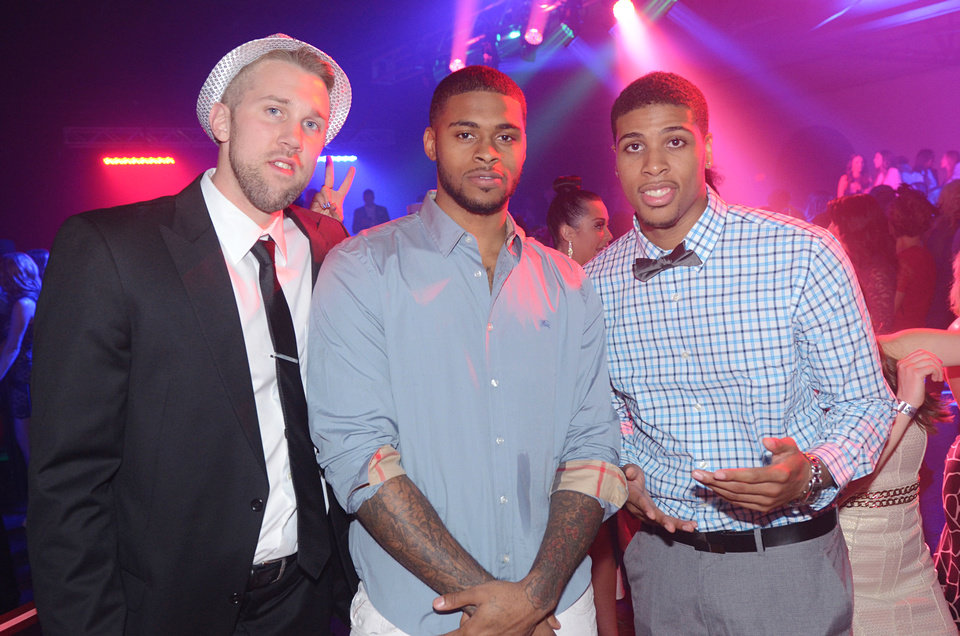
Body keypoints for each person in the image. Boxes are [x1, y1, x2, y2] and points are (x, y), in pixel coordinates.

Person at [28, 34, 358, 635]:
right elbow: (69, 479)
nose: (294, 136)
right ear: (222, 120)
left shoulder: (328, 246)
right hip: (169, 605)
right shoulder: (111, 249)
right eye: (274, 110)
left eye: (312, 123)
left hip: (307, 595)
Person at [308, 65, 627, 635]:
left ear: (524, 145)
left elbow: (593, 448)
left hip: (558, 608)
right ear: (432, 142)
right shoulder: (362, 268)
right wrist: (500, 609)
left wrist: (537, 594)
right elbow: (356, 454)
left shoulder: (569, 283)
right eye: (465, 133)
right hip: (417, 615)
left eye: (505, 135)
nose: (487, 152)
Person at [584, 71, 895, 635]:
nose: (653, 164)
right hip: (663, 567)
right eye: (634, 146)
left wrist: (813, 473)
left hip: (784, 563)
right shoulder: (593, 284)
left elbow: (866, 404)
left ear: (706, 149)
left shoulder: (801, 253)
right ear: (616, 159)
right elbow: (609, 411)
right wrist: (624, 471)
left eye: (674, 141)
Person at [838, 334, 955, 634]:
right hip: (849, 578)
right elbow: (837, 485)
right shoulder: (794, 384)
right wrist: (904, 406)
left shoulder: (888, 350)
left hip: (915, 572)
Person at [827, 194, 898, 335]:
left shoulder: (875, 271)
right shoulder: (853, 263)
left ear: (851, 227)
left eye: (835, 223)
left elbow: (882, 329)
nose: (829, 228)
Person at [0, 252, 40, 465]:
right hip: (27, 376)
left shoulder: (23, 305)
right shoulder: (29, 300)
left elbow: (12, 348)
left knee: (28, 445)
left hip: (24, 379)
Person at [889, 186, 937, 331]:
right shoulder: (926, 256)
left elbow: (890, 311)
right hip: (919, 332)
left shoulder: (905, 261)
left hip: (900, 336)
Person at [545, 175, 612, 264]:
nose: (609, 236)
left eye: (607, 225)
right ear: (568, 233)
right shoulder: (540, 271)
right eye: (598, 226)